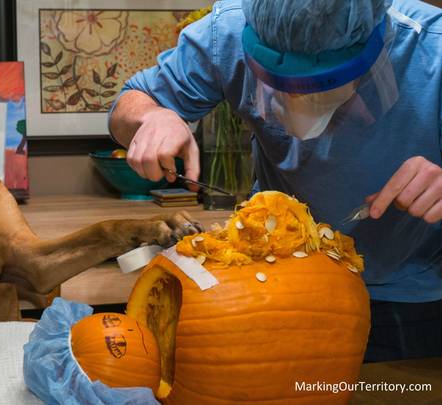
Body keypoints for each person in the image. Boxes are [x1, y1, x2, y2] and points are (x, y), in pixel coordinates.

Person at [109, 0, 442, 363]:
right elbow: (128, 104)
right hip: (271, 287)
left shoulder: (433, 48)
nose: (299, 103)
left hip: (405, 298)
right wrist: (153, 116)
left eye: (322, 87)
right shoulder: (228, 31)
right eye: (282, 87)